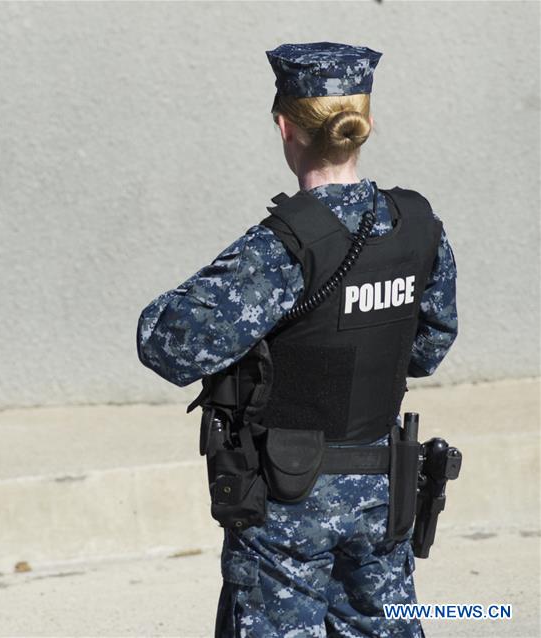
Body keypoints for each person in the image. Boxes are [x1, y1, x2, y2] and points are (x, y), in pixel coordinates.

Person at [137, 42, 457, 637]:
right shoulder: (417, 225)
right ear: (364, 123)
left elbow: (167, 345)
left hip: (289, 498)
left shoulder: (281, 245)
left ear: (284, 126)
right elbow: (430, 346)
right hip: (382, 491)